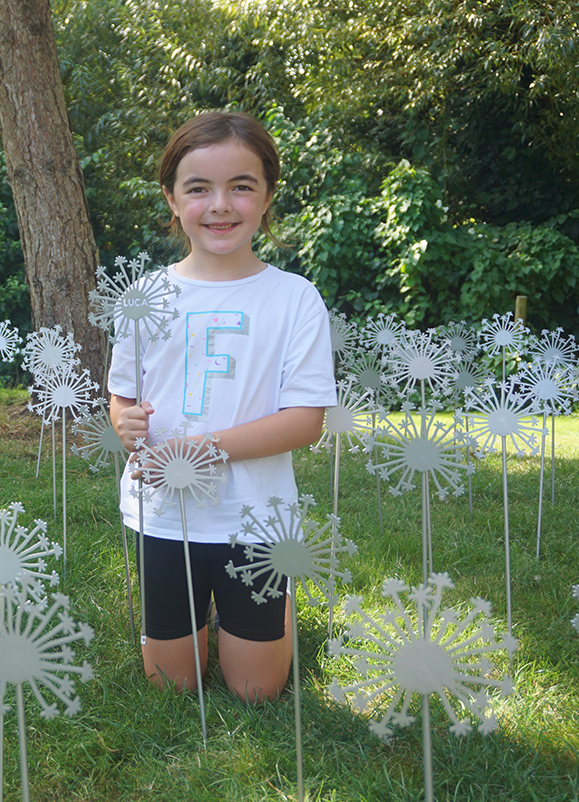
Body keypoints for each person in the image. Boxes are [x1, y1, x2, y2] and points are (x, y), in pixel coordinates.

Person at [108, 111, 336, 703]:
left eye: (241, 185)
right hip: (165, 515)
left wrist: (203, 450)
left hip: (255, 516)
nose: (221, 205)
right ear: (171, 198)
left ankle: (269, 610)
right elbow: (124, 397)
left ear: (266, 197)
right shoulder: (144, 297)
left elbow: (306, 422)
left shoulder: (294, 298)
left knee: (255, 692)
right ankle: (199, 621)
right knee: (172, 687)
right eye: (199, 189)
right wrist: (123, 419)